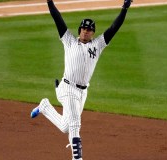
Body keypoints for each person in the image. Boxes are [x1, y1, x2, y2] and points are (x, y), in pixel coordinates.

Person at [30, 0, 132, 159]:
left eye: (89, 30)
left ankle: (44, 106)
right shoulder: (68, 40)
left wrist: (125, 8)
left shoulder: (98, 45)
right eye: (84, 28)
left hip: (82, 92)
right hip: (68, 88)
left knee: (66, 127)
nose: (86, 31)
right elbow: (57, 18)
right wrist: (50, 2)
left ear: (93, 33)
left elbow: (114, 28)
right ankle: (77, 158)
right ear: (80, 30)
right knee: (75, 124)